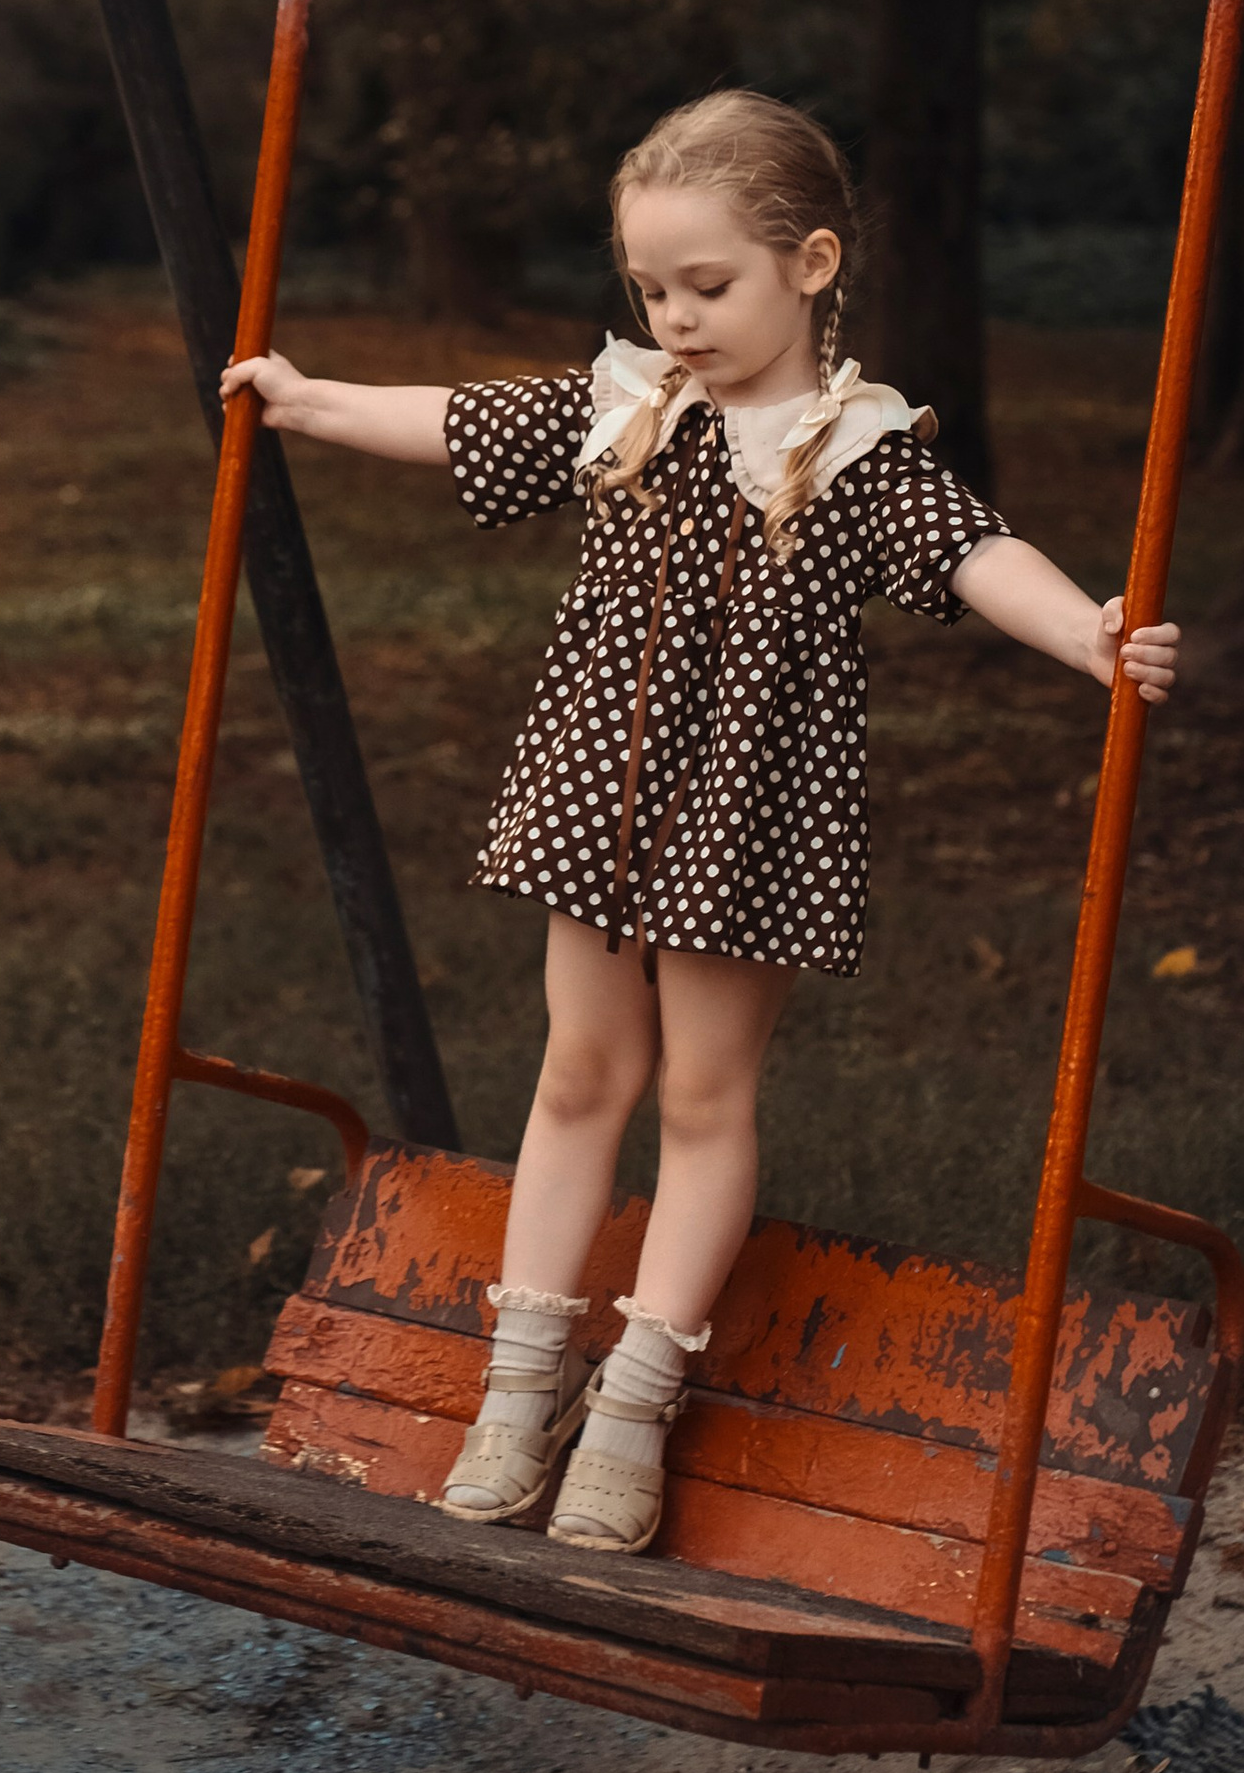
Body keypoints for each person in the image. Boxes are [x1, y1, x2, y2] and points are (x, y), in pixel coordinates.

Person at [220, 88, 1177, 1557]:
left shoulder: (853, 453)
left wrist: (1089, 636)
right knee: (576, 1074)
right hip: (598, 795)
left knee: (704, 1098)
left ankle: (634, 1401)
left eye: (708, 286)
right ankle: (521, 1384)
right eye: (651, 287)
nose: (675, 317)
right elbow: (454, 415)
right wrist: (305, 400)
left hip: (749, 818)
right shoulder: (626, 411)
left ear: (810, 264)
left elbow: (980, 553)